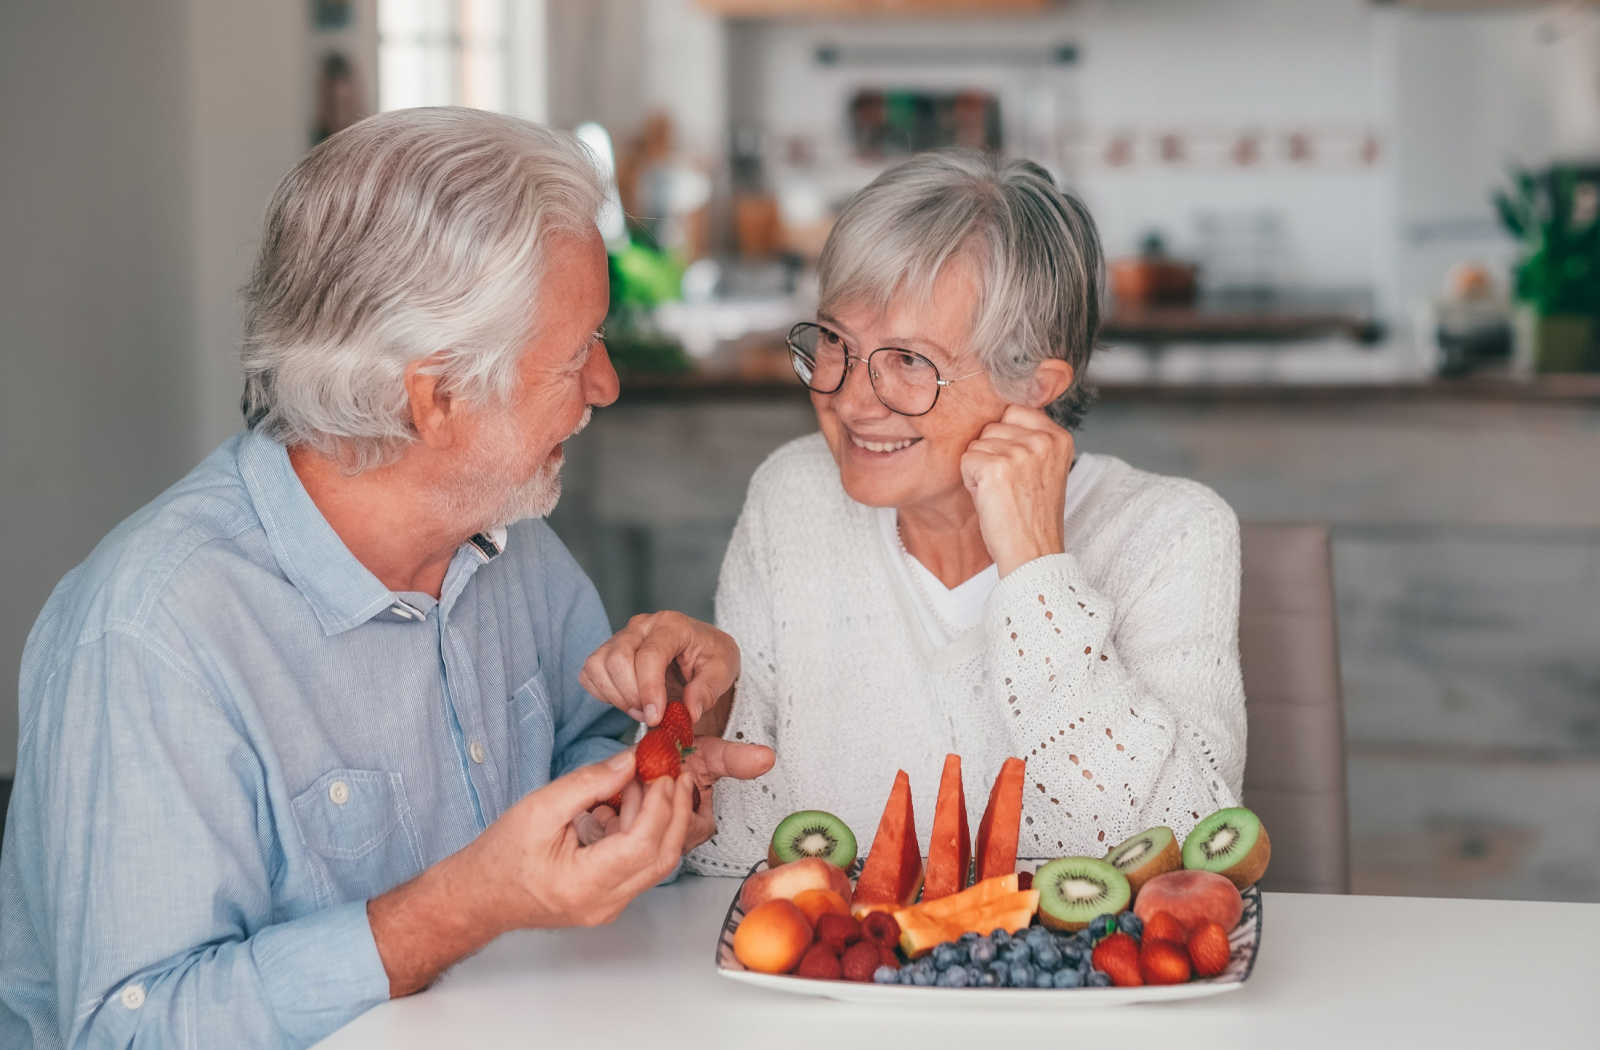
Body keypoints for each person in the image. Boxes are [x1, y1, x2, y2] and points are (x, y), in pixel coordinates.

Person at [0, 107, 767, 1049]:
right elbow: (127, 1032)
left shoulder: (508, 536)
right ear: (436, 396)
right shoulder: (153, 634)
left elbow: (590, 755)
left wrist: (655, 765)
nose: (606, 385)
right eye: (577, 355)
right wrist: (461, 907)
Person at [663, 151, 1246, 875]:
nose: (847, 399)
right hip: (836, 984)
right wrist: (685, 741)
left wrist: (1037, 573)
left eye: (909, 360)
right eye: (836, 343)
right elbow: (732, 853)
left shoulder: (1172, 534)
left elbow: (1191, 858)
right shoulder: (794, 496)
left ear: (1034, 385)